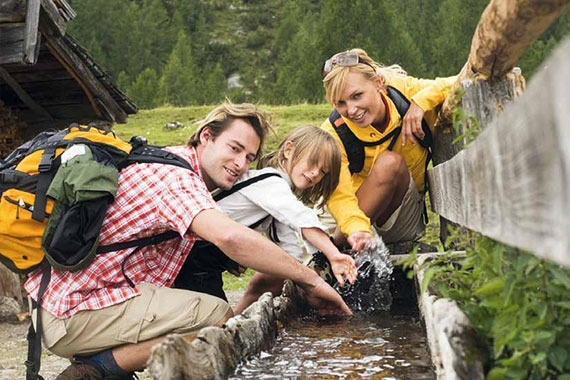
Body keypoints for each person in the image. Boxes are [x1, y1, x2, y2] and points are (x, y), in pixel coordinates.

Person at [24, 102, 351, 380]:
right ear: (207, 136)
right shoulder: (178, 179)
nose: (241, 164)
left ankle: (108, 366)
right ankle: (95, 368)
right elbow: (230, 236)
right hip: (71, 311)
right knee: (219, 320)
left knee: (197, 310)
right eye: (234, 149)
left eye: (249, 157)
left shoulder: (171, 160)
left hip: (74, 298)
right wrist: (310, 278)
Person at [175, 125, 358, 314]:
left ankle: (238, 320)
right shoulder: (271, 181)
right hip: (188, 256)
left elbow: (290, 253)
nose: (315, 173)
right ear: (288, 150)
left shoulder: (278, 197)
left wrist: (314, 276)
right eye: (312, 162)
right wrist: (333, 254)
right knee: (215, 320)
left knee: (226, 320)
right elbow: (301, 217)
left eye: (323, 171)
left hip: (202, 264)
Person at [319, 48, 456, 250]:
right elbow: (340, 195)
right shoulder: (333, 132)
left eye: (357, 96)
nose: (351, 110)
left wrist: (420, 104)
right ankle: (337, 245)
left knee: (389, 163)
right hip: (346, 213)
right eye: (340, 103)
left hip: (397, 214)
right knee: (283, 265)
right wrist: (356, 228)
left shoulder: (403, 92)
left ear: (378, 83)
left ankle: (333, 249)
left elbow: (462, 81)